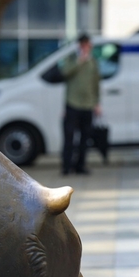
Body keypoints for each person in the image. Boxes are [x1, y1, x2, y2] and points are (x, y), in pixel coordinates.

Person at [60, 33, 101, 175]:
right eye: (84, 45)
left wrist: (97, 103)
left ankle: (80, 165)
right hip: (73, 104)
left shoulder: (93, 62)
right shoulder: (72, 59)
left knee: (85, 138)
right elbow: (65, 72)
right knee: (69, 137)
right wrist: (79, 60)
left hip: (88, 105)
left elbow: (96, 84)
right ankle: (66, 166)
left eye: (88, 45)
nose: (86, 48)